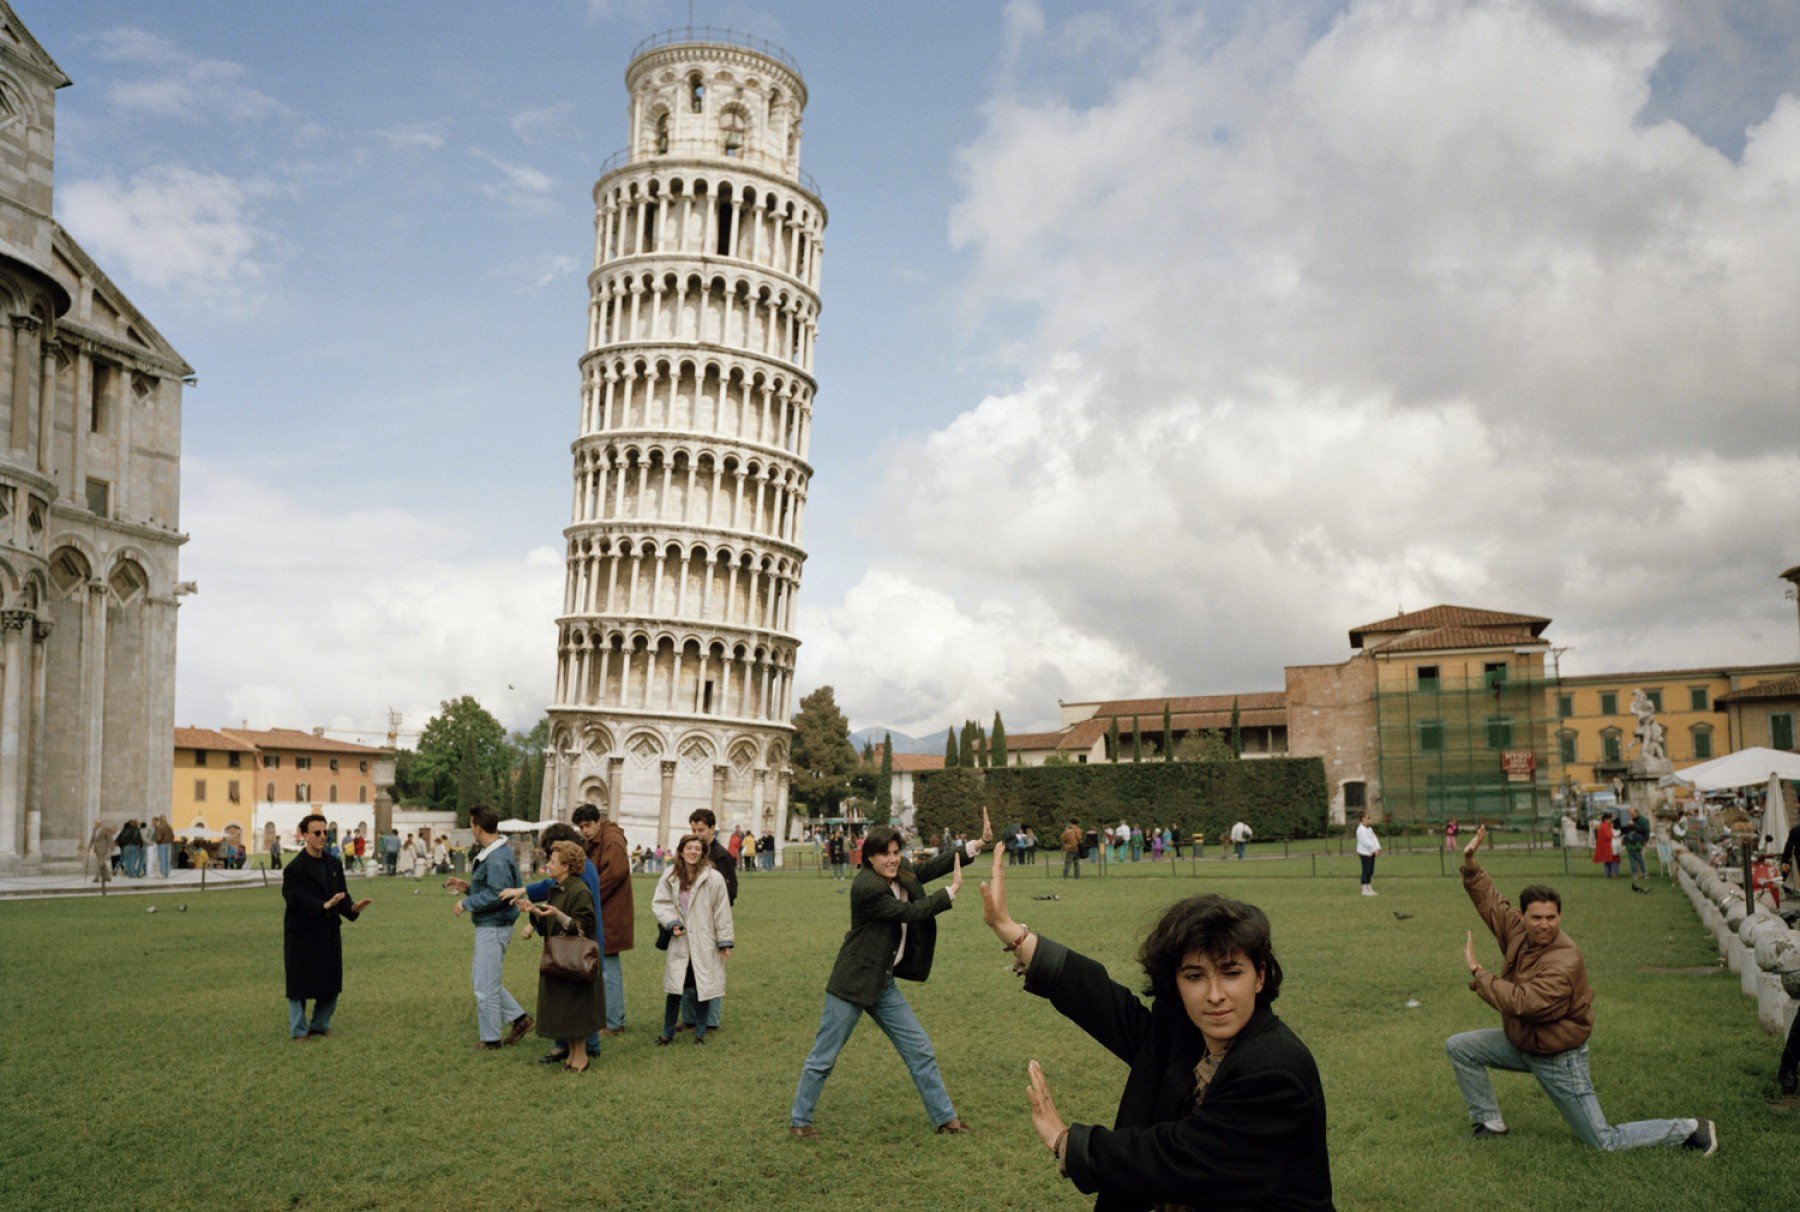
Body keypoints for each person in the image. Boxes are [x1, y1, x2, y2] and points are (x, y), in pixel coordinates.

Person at [976, 841, 1331, 1207]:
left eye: (1231, 973)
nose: (1214, 995)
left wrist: (1067, 1141)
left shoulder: (1274, 1071)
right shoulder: (1186, 1036)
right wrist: (1012, 932)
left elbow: (1181, 1157)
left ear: (1259, 977)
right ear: (1175, 985)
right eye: (1194, 976)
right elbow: (1107, 1006)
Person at [1446, 824, 1716, 1154]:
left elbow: (1523, 1003)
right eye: (1536, 918)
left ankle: (1691, 1129)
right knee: (1460, 1047)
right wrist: (1471, 864)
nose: (1544, 925)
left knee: (1603, 1141)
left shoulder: (1566, 959)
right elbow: (1491, 902)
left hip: (1559, 1058)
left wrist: (1478, 971)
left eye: (1551, 918)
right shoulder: (1518, 931)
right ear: (1523, 917)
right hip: (1523, 1042)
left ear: (1560, 917)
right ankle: (1490, 1124)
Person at [788, 813, 990, 1139]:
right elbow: (910, 912)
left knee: (919, 1048)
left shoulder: (900, 869)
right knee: (824, 1056)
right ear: (870, 857)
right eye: (886, 854)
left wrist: (972, 847)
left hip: (883, 981)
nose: (893, 859)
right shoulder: (866, 886)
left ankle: (946, 1119)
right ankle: (799, 1121)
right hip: (852, 982)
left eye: (896, 852)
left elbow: (926, 869)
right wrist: (949, 892)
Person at [506, 822, 604, 1064]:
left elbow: (582, 923)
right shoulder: (559, 886)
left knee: (577, 1004)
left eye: (551, 859)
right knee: (564, 1003)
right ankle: (571, 1051)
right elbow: (553, 910)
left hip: (576, 953)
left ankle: (583, 1053)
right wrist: (533, 911)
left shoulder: (579, 886)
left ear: (566, 865)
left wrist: (553, 915)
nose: (547, 863)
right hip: (560, 952)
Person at [445, 806, 534, 1051]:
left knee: (485, 985)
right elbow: (495, 889)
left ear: (478, 827)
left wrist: (467, 902)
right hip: (494, 925)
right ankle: (519, 1019)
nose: (471, 829)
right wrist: (468, 888)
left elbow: (498, 894)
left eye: (471, 824)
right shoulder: (497, 853)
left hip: (493, 925)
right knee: (484, 980)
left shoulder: (496, 858)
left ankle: (491, 1039)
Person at [281, 814, 371, 1040]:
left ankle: (320, 1024)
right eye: (317, 833)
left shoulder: (334, 864)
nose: (323, 837)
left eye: (326, 832)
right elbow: (294, 898)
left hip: (329, 932)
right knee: (299, 985)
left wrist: (353, 908)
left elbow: (342, 896)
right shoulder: (294, 869)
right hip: (302, 933)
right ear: (304, 836)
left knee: (331, 983)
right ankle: (299, 1031)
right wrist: (322, 905)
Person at [652, 833, 734, 1045]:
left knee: (701, 985)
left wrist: (725, 941)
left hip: (704, 939)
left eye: (697, 849)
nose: (693, 852)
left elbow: (722, 910)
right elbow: (661, 903)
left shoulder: (713, 878)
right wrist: (671, 922)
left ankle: (700, 1033)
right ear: (681, 851)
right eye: (689, 848)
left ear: (703, 853)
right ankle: (667, 1032)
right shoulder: (670, 875)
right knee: (674, 988)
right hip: (680, 939)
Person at [572, 804, 634, 1036]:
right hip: (603, 911)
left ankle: (614, 1022)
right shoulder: (598, 840)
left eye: (588, 825)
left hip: (611, 914)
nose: (585, 831)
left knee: (609, 969)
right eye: (581, 827)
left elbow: (615, 873)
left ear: (598, 821)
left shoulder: (612, 840)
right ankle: (607, 1018)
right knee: (603, 968)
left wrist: (590, 896)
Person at [678, 808, 737, 1034]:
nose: (697, 834)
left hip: (711, 923)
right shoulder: (690, 851)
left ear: (712, 829)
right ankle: (690, 1018)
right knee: (687, 969)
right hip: (690, 921)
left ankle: (711, 1021)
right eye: (693, 829)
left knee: (711, 971)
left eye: (701, 830)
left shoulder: (721, 856)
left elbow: (730, 892)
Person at [1355, 812, 1382, 897]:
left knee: (1370, 871)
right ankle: (1364, 889)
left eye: (1369, 818)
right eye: (1367, 818)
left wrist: (1378, 848)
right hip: (1365, 853)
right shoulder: (1360, 830)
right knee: (1365, 871)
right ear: (1363, 819)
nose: (1369, 820)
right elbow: (1365, 842)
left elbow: (1374, 839)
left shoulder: (1369, 829)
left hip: (1372, 852)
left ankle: (1369, 888)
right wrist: (1374, 850)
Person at [1621, 808, 1649, 881]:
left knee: (1634, 862)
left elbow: (1647, 832)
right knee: (1640, 861)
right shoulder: (1633, 822)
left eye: (1632, 814)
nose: (1631, 816)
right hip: (1638, 847)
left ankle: (1637, 875)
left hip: (1633, 849)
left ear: (1636, 812)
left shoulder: (1643, 820)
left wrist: (1645, 842)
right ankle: (1644, 874)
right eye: (1630, 814)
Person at [87, 819, 115, 884]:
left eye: (96, 823)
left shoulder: (105, 829)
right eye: (95, 823)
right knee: (102, 863)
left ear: (100, 824)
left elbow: (109, 838)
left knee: (99, 862)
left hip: (103, 848)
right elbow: (92, 838)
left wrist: (111, 847)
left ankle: (97, 878)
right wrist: (89, 847)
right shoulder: (94, 829)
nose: (95, 825)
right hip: (96, 848)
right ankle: (107, 877)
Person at [1592, 813, 1618, 878]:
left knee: (1607, 861)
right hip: (1607, 846)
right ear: (1606, 819)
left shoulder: (1602, 825)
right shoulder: (1605, 826)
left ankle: (1607, 874)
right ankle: (1611, 874)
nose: (1611, 821)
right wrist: (1612, 833)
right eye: (1610, 819)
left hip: (1603, 845)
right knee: (1610, 861)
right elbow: (1608, 836)